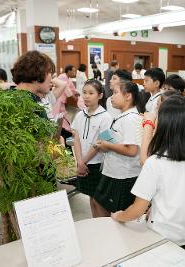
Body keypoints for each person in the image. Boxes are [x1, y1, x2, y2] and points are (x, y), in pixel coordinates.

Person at [112, 95, 185, 254]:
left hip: (164, 237)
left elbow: (138, 210)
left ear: (165, 125)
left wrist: (119, 216)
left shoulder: (155, 163)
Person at [95, 81, 142, 215]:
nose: (111, 97)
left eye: (116, 93)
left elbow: (132, 151)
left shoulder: (131, 119)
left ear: (128, 96)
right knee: (99, 202)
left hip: (123, 176)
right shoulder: (123, 116)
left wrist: (107, 145)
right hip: (113, 171)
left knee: (117, 213)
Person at [71, 79, 113, 218]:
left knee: (99, 200)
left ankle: (105, 229)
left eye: (91, 93)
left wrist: (83, 161)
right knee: (91, 197)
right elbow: (76, 138)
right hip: (83, 163)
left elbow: (100, 143)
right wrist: (79, 162)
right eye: (84, 92)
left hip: (98, 165)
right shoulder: (80, 114)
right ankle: (95, 225)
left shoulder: (106, 117)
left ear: (100, 96)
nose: (86, 96)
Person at [11, 50, 56, 119]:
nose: (51, 79)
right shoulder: (35, 109)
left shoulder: (6, 96)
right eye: (50, 72)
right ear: (39, 72)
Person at [54, 65, 81, 144]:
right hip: (59, 99)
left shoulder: (68, 78)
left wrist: (76, 93)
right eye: (73, 71)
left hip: (63, 101)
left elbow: (72, 88)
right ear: (68, 71)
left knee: (64, 116)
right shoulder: (62, 77)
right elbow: (67, 89)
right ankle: (65, 133)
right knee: (61, 116)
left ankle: (67, 131)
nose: (74, 72)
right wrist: (73, 96)